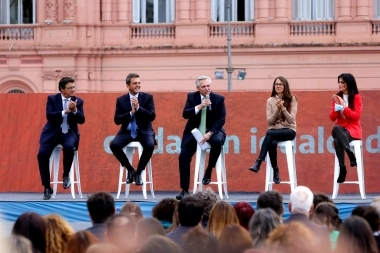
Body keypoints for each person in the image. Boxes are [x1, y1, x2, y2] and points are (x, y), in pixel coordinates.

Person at [176, 75, 226, 200]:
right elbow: (185, 114)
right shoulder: (192, 97)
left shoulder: (218, 99)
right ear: (198, 88)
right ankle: (185, 190)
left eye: (208, 86)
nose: (207, 88)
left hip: (213, 132)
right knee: (183, 157)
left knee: (217, 141)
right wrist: (199, 106)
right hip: (195, 133)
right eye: (203, 86)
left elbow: (221, 119)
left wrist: (210, 133)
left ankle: (209, 169)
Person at [37, 77, 85, 200]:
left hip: (69, 132)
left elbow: (82, 120)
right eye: (70, 88)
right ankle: (47, 187)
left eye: (74, 87)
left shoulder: (78, 101)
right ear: (62, 89)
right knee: (42, 154)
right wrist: (65, 111)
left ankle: (65, 175)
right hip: (52, 133)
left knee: (69, 147)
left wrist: (74, 110)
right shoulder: (52, 99)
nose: (73, 90)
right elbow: (49, 116)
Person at [249, 76, 297, 184]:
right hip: (274, 131)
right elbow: (270, 121)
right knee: (272, 141)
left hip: (289, 131)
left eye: (280, 84)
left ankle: (259, 162)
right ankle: (275, 170)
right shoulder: (270, 100)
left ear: (285, 86)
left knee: (269, 134)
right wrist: (277, 110)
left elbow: (291, 120)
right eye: (276, 84)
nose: (278, 86)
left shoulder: (292, 99)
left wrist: (283, 108)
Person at [110, 73, 156, 186]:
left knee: (150, 145)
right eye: (135, 83)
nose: (138, 85)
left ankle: (138, 173)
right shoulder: (121, 100)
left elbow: (152, 116)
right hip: (127, 131)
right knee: (114, 145)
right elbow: (117, 120)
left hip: (144, 131)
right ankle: (130, 169)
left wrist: (139, 108)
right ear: (128, 85)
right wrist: (130, 113)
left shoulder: (147, 97)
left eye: (139, 83)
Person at [329, 73, 363, 183]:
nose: (340, 84)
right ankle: (350, 154)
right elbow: (332, 118)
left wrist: (344, 108)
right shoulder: (337, 98)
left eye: (342, 82)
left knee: (337, 141)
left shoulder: (357, 97)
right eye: (339, 82)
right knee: (335, 128)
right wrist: (336, 108)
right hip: (340, 129)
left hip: (352, 130)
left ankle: (342, 168)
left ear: (349, 83)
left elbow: (356, 116)